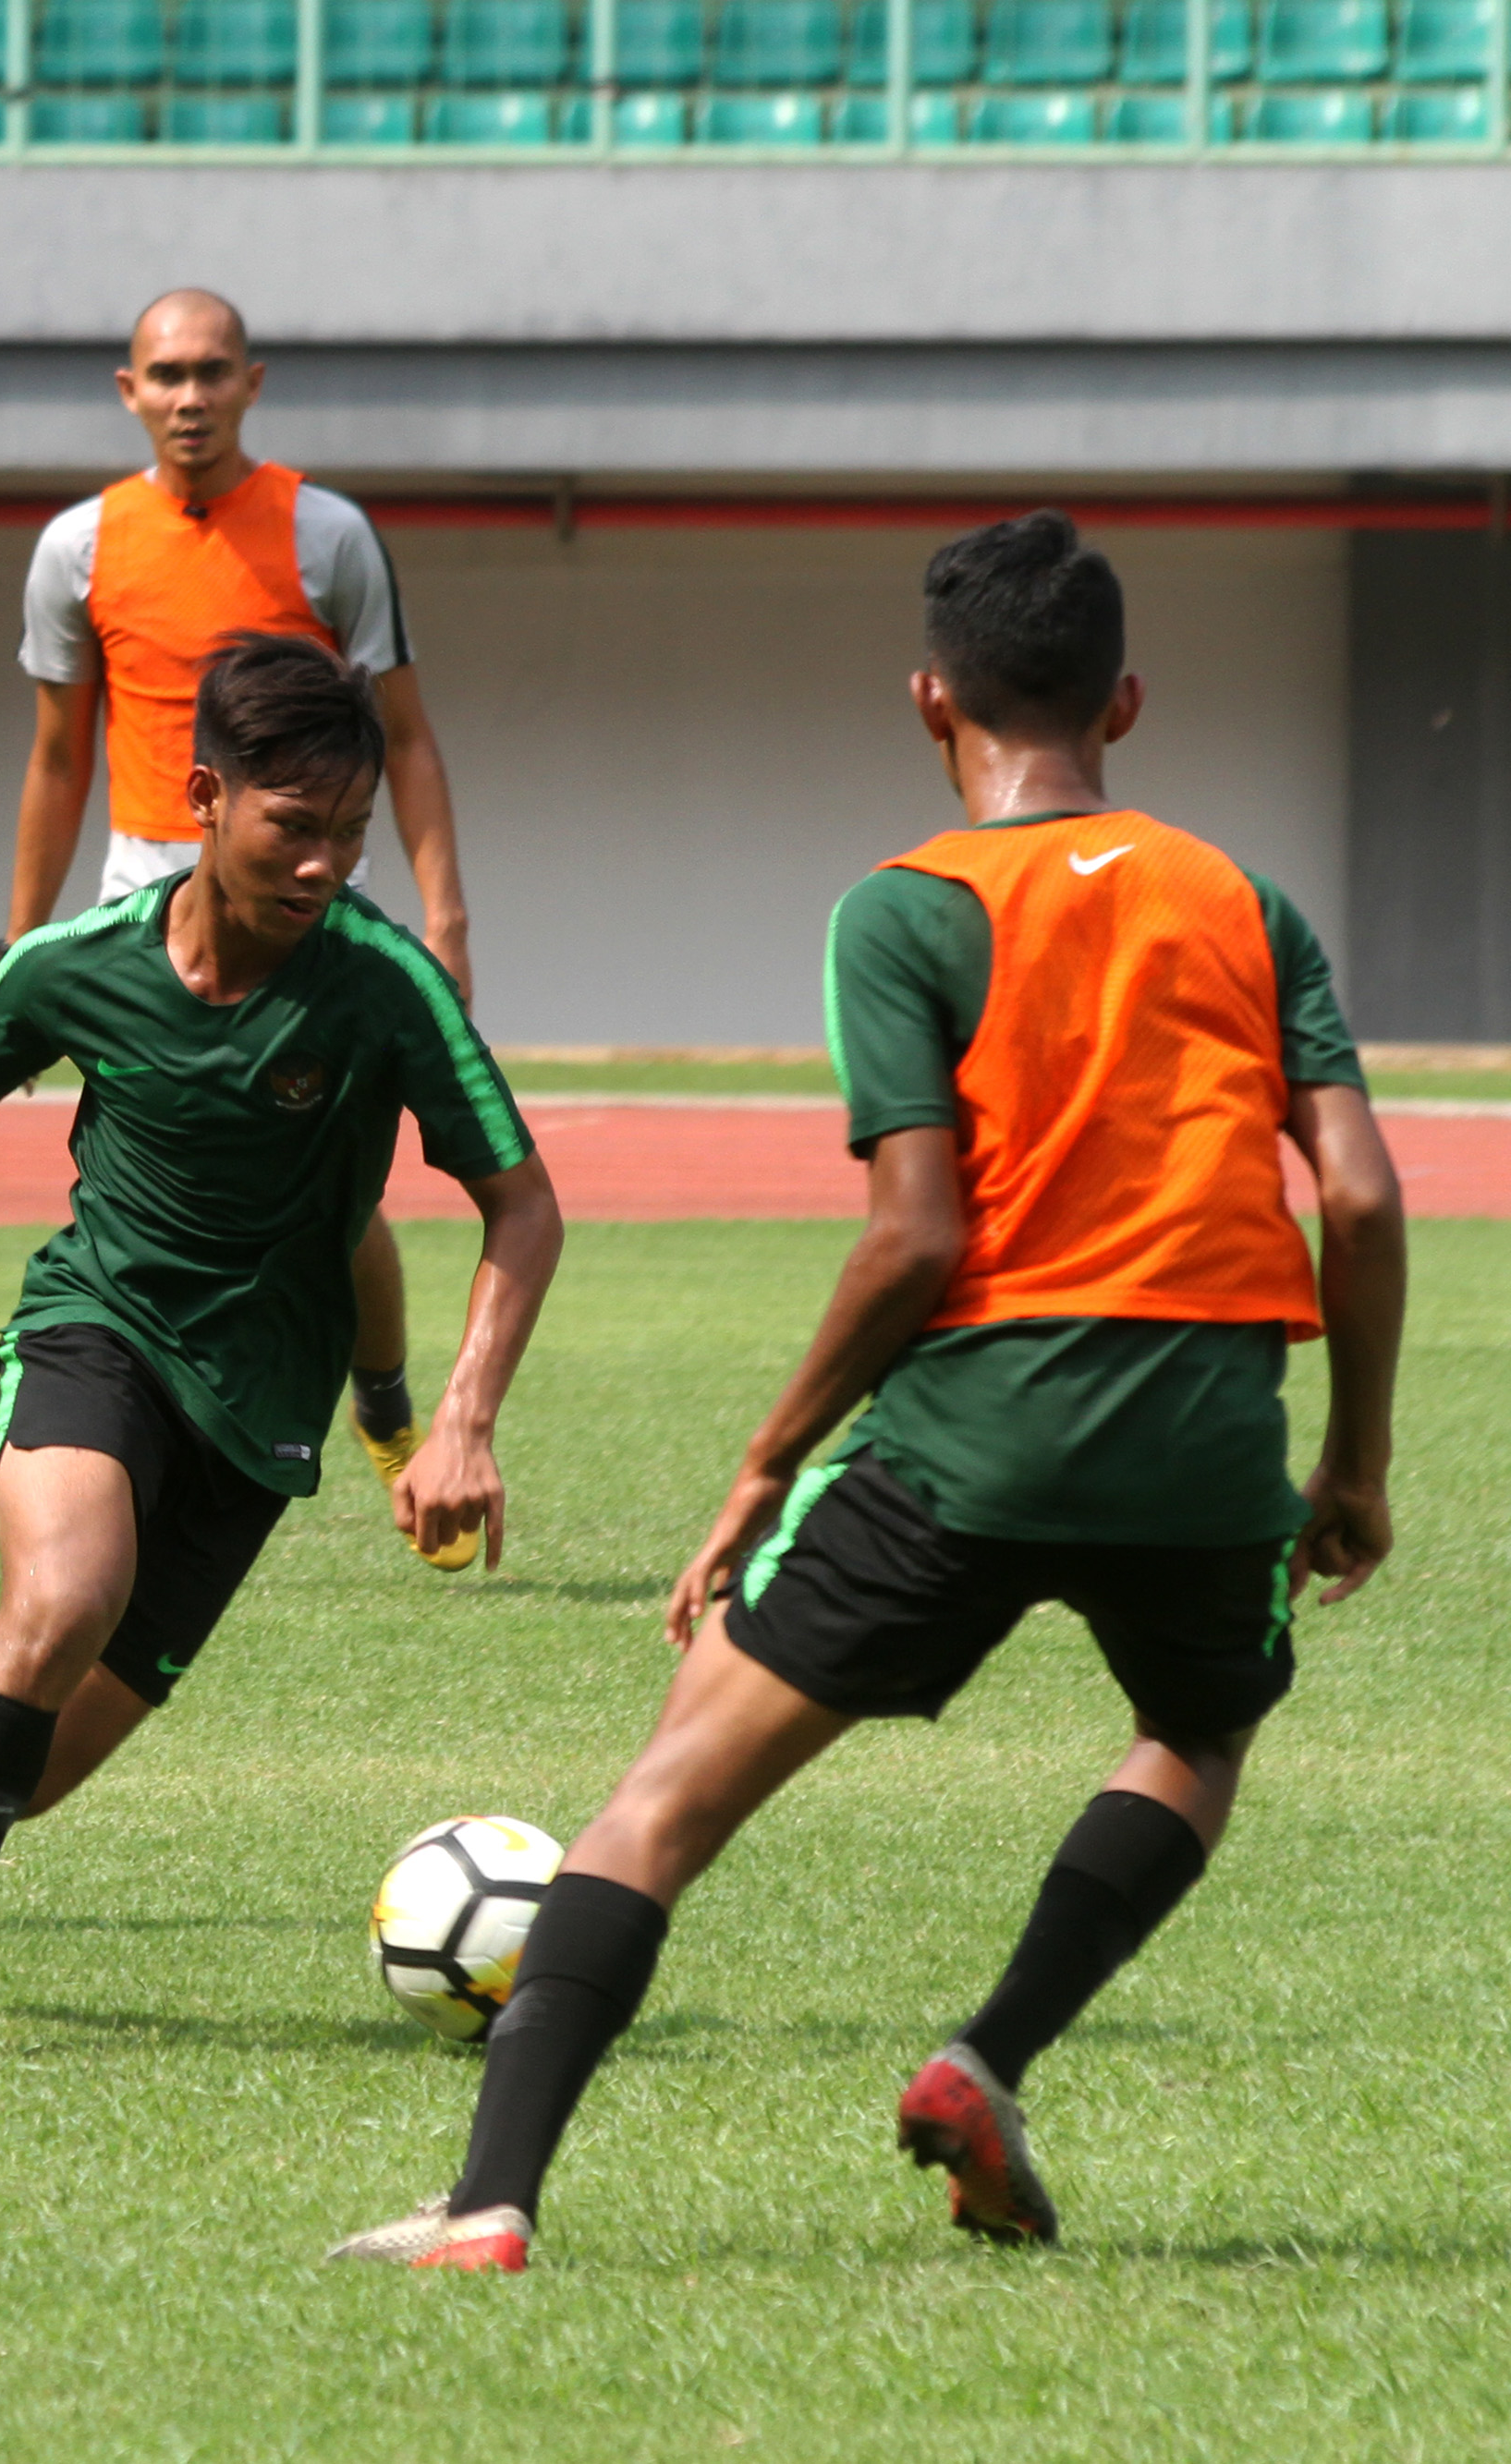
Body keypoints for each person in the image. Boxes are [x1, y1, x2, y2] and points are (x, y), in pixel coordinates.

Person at [329, 512, 1407, 2275]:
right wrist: (1352, 1455)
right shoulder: (1244, 903)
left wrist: (766, 1466)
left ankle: (491, 2202)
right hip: (1213, 1436)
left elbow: (917, 1237)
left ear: (931, 702)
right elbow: (1357, 1198)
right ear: (1123, 702)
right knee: (1200, 1733)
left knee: (659, 1804)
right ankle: (991, 2058)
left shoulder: (902, 914)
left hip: (972, 1439)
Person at [0, 633, 561, 2059]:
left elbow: (521, 1203)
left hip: (259, 1408)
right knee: (63, 1600)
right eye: (294, 827)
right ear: (204, 796)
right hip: (98, 1326)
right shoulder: (80, 964)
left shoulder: (384, 989)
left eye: (351, 835)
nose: (326, 864)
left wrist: (458, 1418)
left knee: (19, 1766)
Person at [5, 285, 482, 1570]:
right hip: (138, 907)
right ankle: (118, 1418)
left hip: (299, 888)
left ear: (253, 384)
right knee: (141, 1185)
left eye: (213, 372)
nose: (190, 397)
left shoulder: (328, 536)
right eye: (166, 374)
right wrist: (21, 944)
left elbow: (409, 737)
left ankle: (379, 1404)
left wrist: (443, 914)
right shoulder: (78, 549)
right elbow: (59, 761)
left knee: (334, 1199)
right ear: (129, 391)